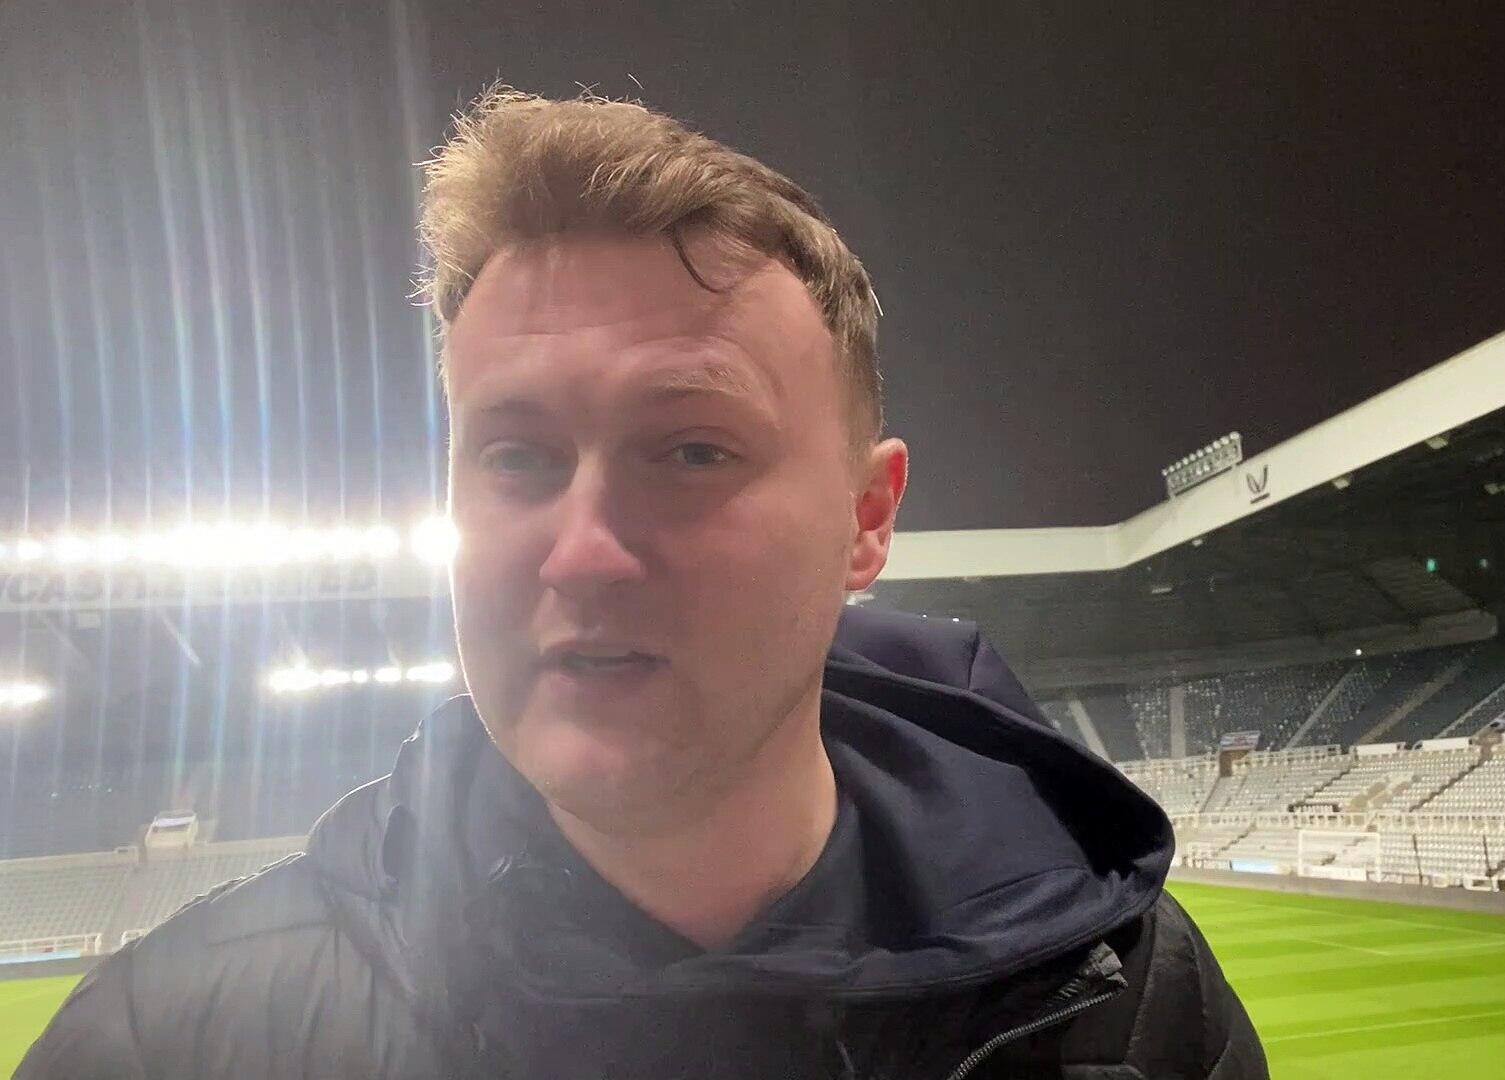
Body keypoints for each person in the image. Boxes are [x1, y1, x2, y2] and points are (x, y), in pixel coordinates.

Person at [21, 86, 1264, 1079]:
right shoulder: (173, 1043)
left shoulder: (1133, 1000)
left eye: (691, 452)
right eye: (516, 458)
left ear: (866, 519)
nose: (582, 552)